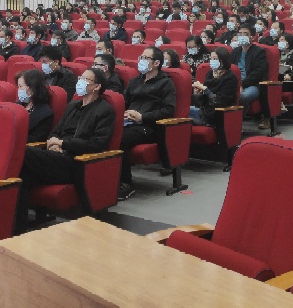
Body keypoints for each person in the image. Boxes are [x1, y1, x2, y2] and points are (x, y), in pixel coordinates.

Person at [16, 68, 114, 230]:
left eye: (85, 79)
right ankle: (18, 228)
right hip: (56, 157)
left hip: (76, 163)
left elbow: (97, 144)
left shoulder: (104, 110)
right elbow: (55, 132)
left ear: (96, 86)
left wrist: (63, 144)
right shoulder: (73, 105)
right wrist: (54, 144)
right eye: (80, 77)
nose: (80, 81)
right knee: (21, 176)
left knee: (23, 152)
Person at [119, 46, 176, 200]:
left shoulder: (166, 83)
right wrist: (123, 113)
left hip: (148, 126)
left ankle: (126, 184)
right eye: (141, 57)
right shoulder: (135, 81)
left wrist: (142, 117)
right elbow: (124, 102)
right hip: (128, 121)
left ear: (156, 63)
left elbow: (168, 111)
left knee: (120, 139)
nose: (141, 61)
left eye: (145, 58)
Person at [229, 24, 269, 120]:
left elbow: (258, 72)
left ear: (252, 37)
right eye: (240, 34)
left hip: (253, 84)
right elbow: (230, 69)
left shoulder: (259, 52)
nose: (242, 36)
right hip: (236, 83)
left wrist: (243, 85)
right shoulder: (235, 52)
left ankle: (237, 121)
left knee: (243, 96)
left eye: (245, 34)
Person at [189, 47, 237, 126]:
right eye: (211, 58)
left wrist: (205, 89)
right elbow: (204, 98)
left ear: (223, 61)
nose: (212, 61)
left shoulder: (230, 78)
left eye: (215, 59)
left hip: (216, 114)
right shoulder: (210, 74)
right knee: (182, 109)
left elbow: (218, 102)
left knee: (182, 112)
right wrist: (199, 91)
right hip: (204, 110)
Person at [15, 69, 54, 143]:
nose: (18, 90)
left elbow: (35, 139)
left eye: (21, 87)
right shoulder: (17, 106)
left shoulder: (45, 113)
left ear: (32, 88)